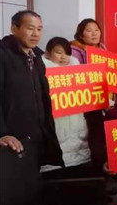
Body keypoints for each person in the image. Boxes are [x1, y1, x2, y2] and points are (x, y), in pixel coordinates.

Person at [0, 11, 63, 169]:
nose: (36, 34)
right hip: (12, 140)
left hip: (35, 136)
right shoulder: (2, 55)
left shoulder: (36, 58)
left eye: (39, 29)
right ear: (14, 29)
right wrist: (2, 134)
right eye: (30, 28)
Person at [40, 37, 95, 179]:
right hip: (57, 132)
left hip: (79, 138)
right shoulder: (40, 75)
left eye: (67, 53)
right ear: (47, 53)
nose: (63, 57)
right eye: (58, 52)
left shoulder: (79, 75)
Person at [70, 18, 107, 174]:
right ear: (81, 34)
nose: (94, 34)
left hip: (101, 100)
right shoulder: (74, 52)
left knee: (100, 136)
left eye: (96, 30)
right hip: (84, 101)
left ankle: (102, 171)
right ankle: (93, 172)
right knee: (90, 137)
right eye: (89, 31)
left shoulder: (104, 51)